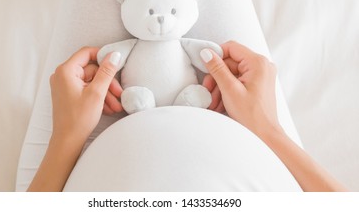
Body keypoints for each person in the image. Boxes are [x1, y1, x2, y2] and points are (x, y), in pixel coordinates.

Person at [27, 41, 347, 192]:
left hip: (78, 150)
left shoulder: (70, 138)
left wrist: (65, 138)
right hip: (257, 136)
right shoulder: (263, 128)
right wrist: (268, 129)